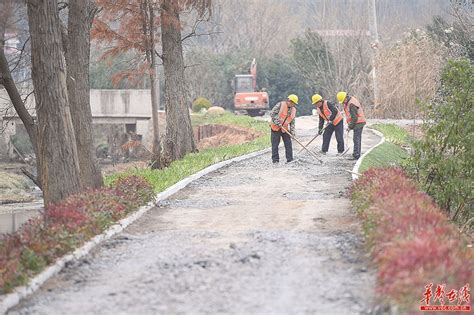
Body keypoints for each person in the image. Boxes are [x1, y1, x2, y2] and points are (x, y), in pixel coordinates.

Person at [336, 91, 367, 160]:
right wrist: (350, 125)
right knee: (356, 138)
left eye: (343, 101)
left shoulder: (351, 104)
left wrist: (350, 127)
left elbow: (354, 117)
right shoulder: (349, 102)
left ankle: (356, 155)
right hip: (357, 122)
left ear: (345, 98)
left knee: (356, 139)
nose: (343, 102)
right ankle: (356, 154)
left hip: (359, 122)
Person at [269, 94, 298, 163]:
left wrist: (292, 133)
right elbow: (272, 113)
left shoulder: (293, 110)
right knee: (275, 144)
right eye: (293, 103)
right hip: (275, 128)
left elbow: (292, 122)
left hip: (284, 129)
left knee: (288, 143)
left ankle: (290, 159)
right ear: (290, 101)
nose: (294, 105)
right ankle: (275, 160)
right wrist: (277, 122)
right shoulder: (280, 105)